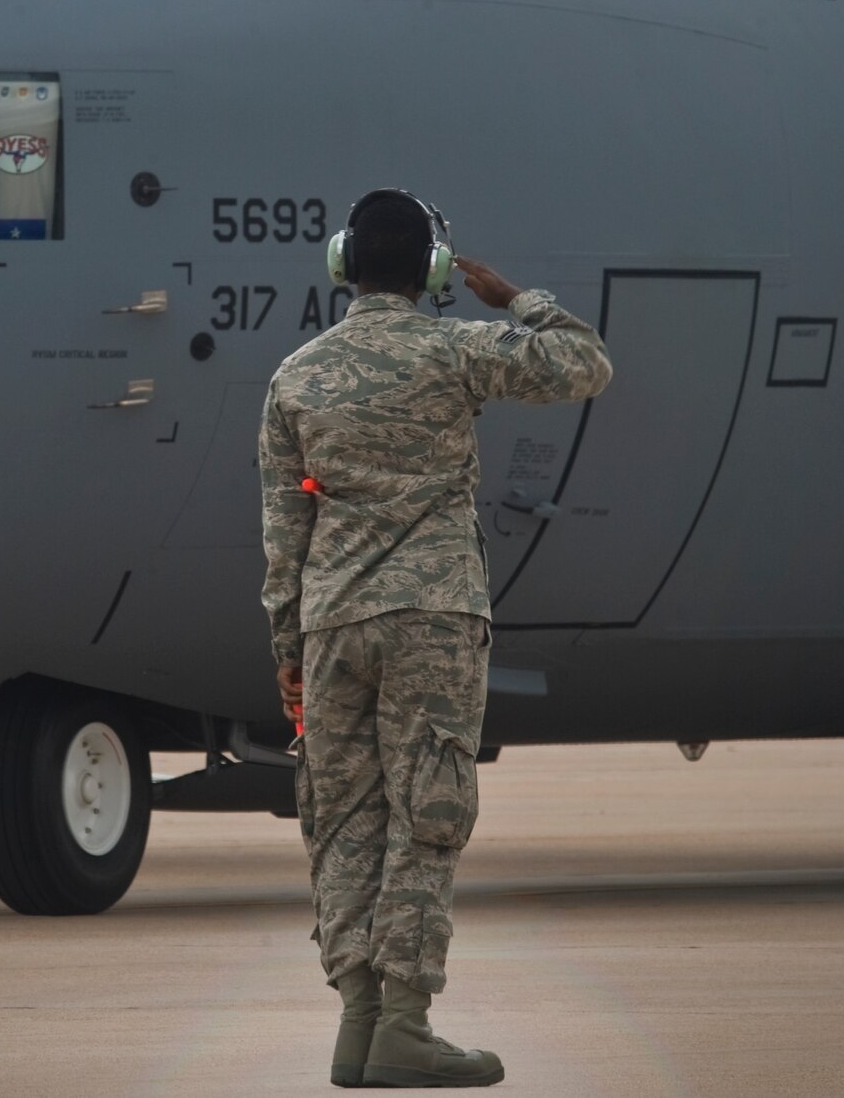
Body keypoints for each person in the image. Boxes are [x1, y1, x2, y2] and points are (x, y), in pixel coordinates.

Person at [259, 189, 612, 1088]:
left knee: (342, 822)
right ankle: (406, 1026)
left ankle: (359, 1021)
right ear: (435, 271)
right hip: (435, 620)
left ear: (342, 261)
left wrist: (289, 653)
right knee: (428, 813)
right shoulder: (455, 348)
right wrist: (517, 299)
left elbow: (281, 537)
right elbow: (585, 364)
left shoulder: (296, 375)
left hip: (331, 619)